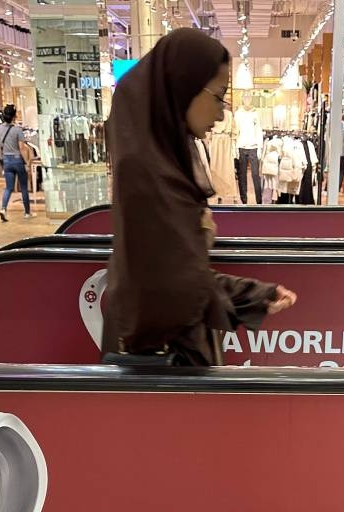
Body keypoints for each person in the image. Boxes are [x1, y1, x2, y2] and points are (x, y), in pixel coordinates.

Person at [102, 28, 297, 367]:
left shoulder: (163, 162)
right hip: (163, 362)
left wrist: (253, 295)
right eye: (218, 97)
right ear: (184, 86)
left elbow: (175, 274)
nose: (221, 115)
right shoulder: (148, 174)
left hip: (168, 353)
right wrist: (246, 297)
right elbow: (171, 291)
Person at [0, 104, 33, 221]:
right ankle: (27, 212)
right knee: (23, 187)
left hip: (6, 160)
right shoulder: (17, 129)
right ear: (14, 116)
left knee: (8, 187)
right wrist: (27, 162)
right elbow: (21, 148)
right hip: (17, 159)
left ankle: (3, 208)